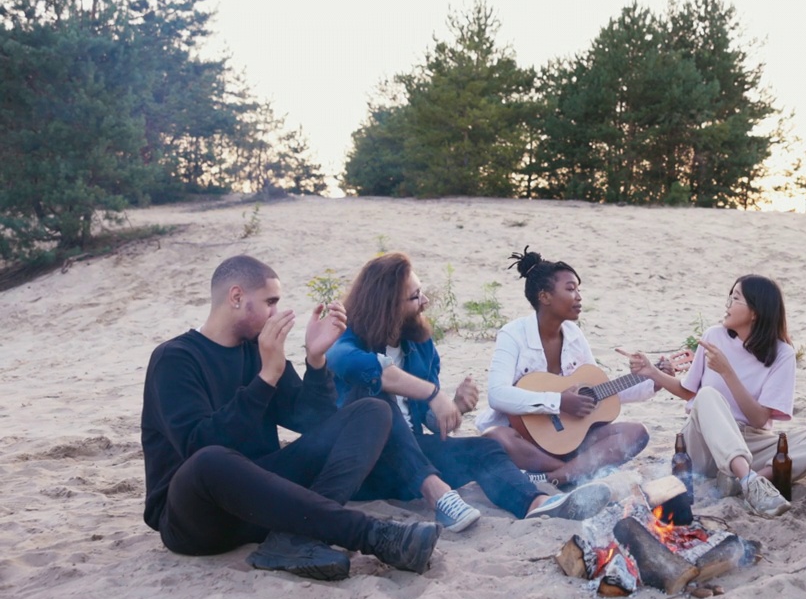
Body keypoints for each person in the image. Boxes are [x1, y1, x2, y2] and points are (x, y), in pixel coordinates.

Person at [140, 255, 442, 581]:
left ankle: (299, 538)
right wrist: (266, 377)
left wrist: (316, 358)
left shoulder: (261, 350)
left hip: (269, 505)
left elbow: (311, 419)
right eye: (270, 302)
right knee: (209, 460)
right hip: (197, 517)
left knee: (373, 410)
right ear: (237, 297)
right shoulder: (175, 358)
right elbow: (196, 445)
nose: (277, 313)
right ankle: (372, 535)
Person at [326, 253, 614, 529]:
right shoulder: (347, 343)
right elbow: (362, 368)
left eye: (421, 292)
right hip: (362, 468)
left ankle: (537, 503)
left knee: (484, 449)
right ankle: (439, 496)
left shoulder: (420, 346)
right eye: (414, 297)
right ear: (386, 305)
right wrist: (432, 394)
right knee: (379, 405)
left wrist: (455, 407)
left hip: (409, 467)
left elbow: (427, 421)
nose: (425, 301)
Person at [622, 275, 806, 518]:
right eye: (729, 296)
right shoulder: (713, 336)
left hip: (751, 441)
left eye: (736, 298)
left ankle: (747, 482)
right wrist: (651, 372)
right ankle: (749, 481)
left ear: (755, 311)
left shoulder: (782, 353)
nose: (727, 304)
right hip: (703, 442)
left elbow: (760, 420)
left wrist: (727, 372)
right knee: (707, 395)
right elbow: (689, 392)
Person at [477, 248, 654, 487]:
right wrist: (558, 402)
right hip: (526, 445)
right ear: (545, 296)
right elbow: (497, 395)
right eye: (570, 289)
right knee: (494, 438)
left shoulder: (573, 334)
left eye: (579, 289)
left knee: (636, 433)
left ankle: (552, 478)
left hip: (571, 441)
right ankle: (572, 471)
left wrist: (652, 379)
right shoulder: (513, 334)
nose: (579, 296)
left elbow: (599, 391)